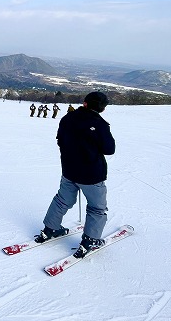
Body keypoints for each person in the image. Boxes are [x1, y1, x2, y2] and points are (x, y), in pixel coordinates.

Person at [35, 91, 115, 258]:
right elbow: (110, 149)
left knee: (62, 200)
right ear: (102, 108)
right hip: (91, 174)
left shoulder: (67, 118)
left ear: (85, 103)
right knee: (96, 208)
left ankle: (50, 229)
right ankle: (90, 240)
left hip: (69, 169)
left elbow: (59, 140)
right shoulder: (99, 124)